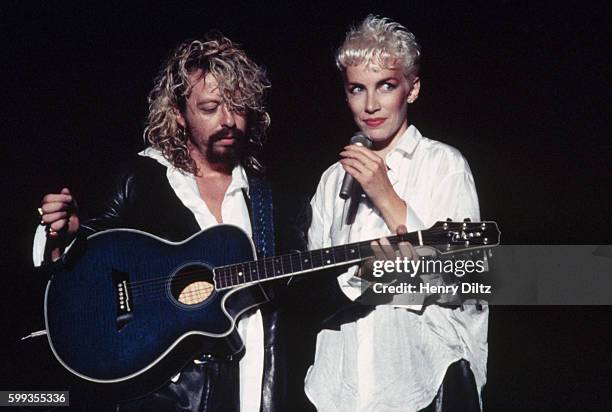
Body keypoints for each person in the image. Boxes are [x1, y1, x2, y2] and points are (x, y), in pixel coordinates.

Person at [34, 33, 297, 412]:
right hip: (168, 395)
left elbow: (296, 296)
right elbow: (84, 264)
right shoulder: (142, 178)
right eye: (209, 107)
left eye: (238, 107)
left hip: (251, 381)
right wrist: (66, 236)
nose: (227, 121)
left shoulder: (267, 198)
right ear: (178, 112)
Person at [305, 16, 487, 411]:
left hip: (422, 386)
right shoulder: (330, 181)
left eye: (386, 86)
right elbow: (315, 293)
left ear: (413, 88)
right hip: (339, 392)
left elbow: (464, 282)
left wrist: (385, 195)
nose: (370, 105)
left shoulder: (444, 165)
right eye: (357, 89)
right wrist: (357, 281)